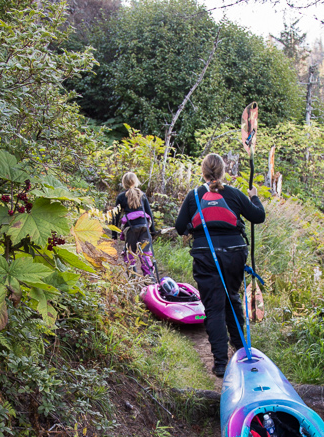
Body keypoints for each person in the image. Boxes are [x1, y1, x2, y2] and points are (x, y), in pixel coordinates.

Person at [174, 153, 265, 377]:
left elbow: (179, 227)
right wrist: (254, 198)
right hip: (234, 254)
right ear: (223, 172)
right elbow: (258, 216)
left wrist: (191, 228)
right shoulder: (234, 194)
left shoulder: (194, 195)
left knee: (214, 306)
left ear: (203, 172)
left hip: (206, 255)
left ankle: (221, 363)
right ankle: (242, 349)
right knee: (231, 298)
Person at [113, 172, 155, 277]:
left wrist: (114, 235)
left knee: (129, 252)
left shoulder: (121, 197)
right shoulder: (142, 195)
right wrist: (153, 231)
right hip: (144, 227)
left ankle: (133, 277)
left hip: (131, 228)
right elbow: (149, 214)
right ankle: (149, 278)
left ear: (124, 183)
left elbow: (116, 216)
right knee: (145, 252)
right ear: (135, 181)